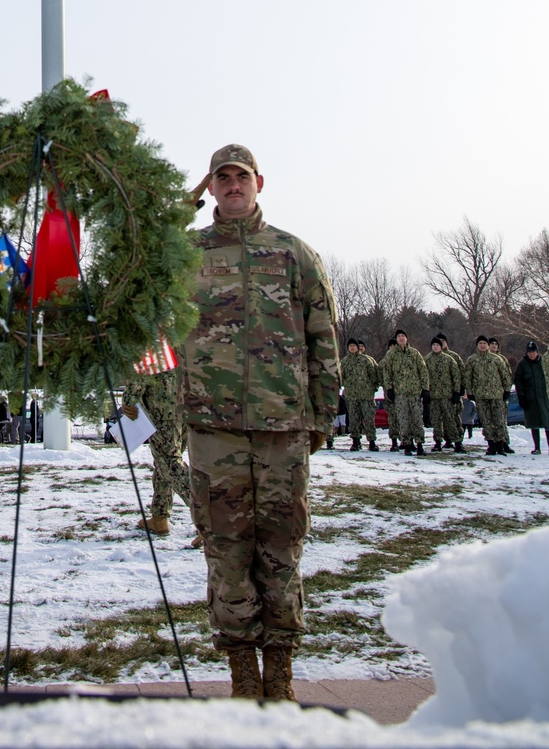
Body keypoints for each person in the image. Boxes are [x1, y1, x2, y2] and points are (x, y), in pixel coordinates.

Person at [181, 144, 339, 702]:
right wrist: (186, 202)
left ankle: (281, 667)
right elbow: (144, 254)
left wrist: (320, 416)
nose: (231, 187)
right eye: (220, 179)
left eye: (240, 178)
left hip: (282, 428)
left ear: (258, 183)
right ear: (210, 187)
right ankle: (241, 669)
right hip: (213, 429)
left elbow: (323, 338)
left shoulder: (293, 253)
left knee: (282, 546)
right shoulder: (187, 252)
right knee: (225, 548)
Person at [122, 366, 192, 535]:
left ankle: (210, 517)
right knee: (165, 466)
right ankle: (159, 518)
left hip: (162, 412)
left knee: (170, 464)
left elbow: (141, 372)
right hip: (186, 406)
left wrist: (129, 401)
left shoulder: (152, 343)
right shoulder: (182, 340)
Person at [381, 330, 428, 457]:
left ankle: (419, 444)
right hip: (400, 393)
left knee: (417, 419)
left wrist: (425, 388)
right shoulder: (391, 355)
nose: (401, 338)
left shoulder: (414, 353)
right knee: (403, 420)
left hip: (414, 393)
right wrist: (389, 388)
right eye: (399, 336)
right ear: (396, 339)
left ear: (407, 339)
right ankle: (407, 444)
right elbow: (387, 372)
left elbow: (423, 370)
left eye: (403, 336)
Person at [463, 335, 512, 455]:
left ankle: (500, 445)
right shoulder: (472, 360)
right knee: (486, 421)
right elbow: (467, 377)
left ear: (488, 345)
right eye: (480, 343)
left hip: (496, 395)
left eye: (484, 343)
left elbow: (505, 375)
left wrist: (507, 390)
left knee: (499, 421)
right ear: (477, 345)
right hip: (481, 396)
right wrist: (470, 392)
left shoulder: (496, 359)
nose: (482, 345)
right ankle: (491, 445)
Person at [425, 337, 463, 454]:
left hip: (447, 395)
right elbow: (424, 376)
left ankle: (457, 442)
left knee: (450, 420)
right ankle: (437, 442)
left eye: (437, 345)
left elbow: (455, 376)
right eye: (434, 345)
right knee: (436, 421)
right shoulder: (427, 359)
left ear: (441, 347)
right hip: (434, 396)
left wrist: (457, 391)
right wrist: (425, 391)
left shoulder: (448, 359)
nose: (435, 347)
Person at [340, 337, 378, 452]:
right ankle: (355, 441)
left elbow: (373, 375)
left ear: (358, 347)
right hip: (352, 396)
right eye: (350, 346)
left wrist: (373, 388)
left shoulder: (366, 360)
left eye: (354, 346)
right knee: (353, 420)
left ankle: (372, 442)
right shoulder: (344, 362)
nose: (352, 347)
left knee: (369, 419)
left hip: (366, 395)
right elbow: (342, 377)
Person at [513, 341, 549, 455]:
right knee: (534, 423)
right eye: (529, 352)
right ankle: (537, 447)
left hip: (544, 398)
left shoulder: (543, 362)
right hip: (530, 398)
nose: (531, 354)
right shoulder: (522, 364)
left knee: (547, 423)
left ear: (537, 352)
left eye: (533, 352)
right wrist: (522, 397)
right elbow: (518, 382)